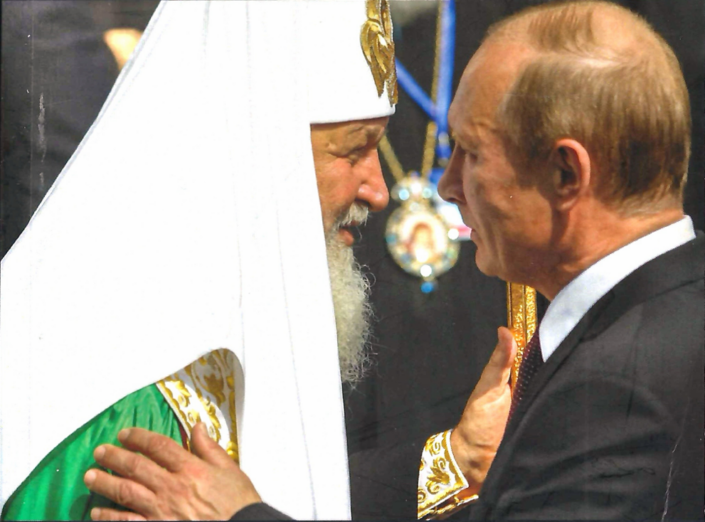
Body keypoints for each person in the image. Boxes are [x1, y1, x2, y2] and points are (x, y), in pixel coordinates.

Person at [82, 1, 703, 520]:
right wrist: (453, 459)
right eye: (352, 152)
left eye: (470, 153)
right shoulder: (647, 331)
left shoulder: (621, 382)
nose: (447, 187)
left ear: (567, 173)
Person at [0, 0, 398, 519]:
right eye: (353, 151)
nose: (378, 191)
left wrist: (450, 463)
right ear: (255, 152)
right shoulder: (146, 416)